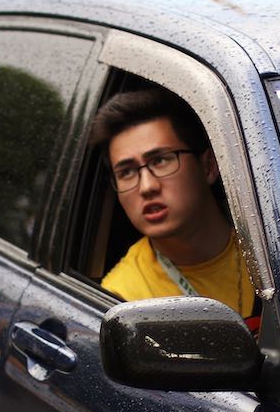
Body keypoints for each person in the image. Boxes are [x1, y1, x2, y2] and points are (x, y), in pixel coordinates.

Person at [91, 88, 258, 330]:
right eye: (126, 172)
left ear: (209, 166)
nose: (147, 186)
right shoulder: (124, 301)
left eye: (161, 160)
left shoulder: (276, 246)